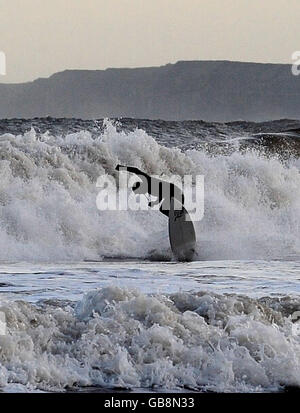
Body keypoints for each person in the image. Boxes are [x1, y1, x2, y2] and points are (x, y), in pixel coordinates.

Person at [115, 165, 184, 217]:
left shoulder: (148, 181)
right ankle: (177, 217)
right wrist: (155, 202)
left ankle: (177, 216)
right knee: (164, 209)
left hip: (176, 194)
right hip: (174, 196)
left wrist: (121, 167)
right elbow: (162, 193)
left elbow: (136, 170)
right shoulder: (149, 190)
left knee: (163, 209)